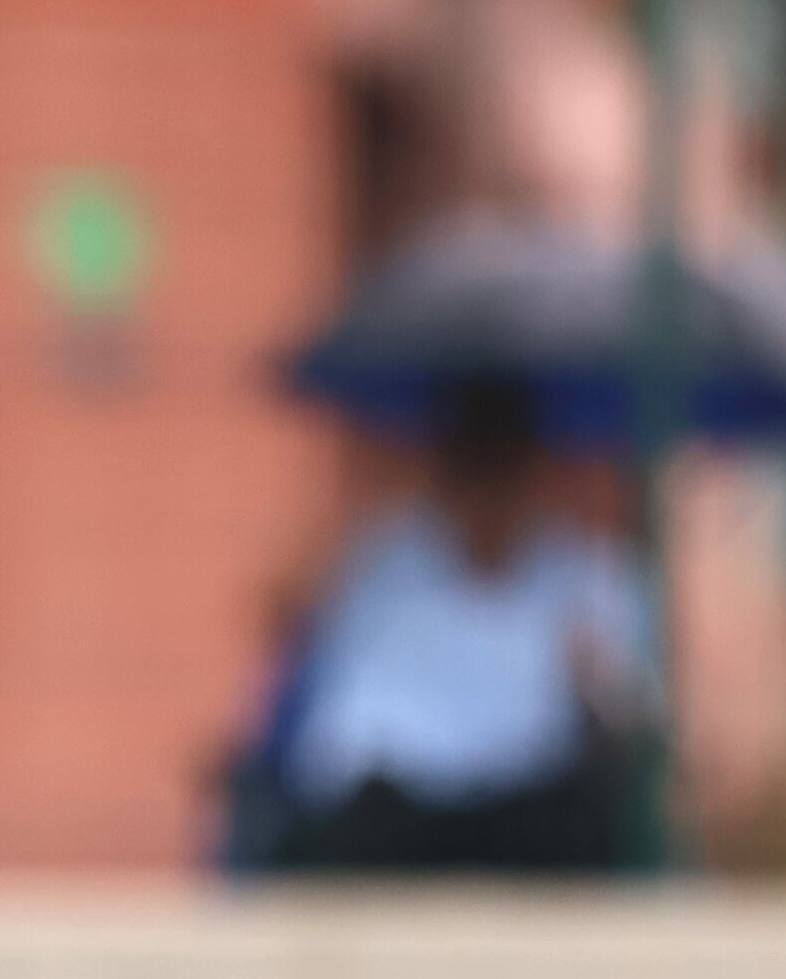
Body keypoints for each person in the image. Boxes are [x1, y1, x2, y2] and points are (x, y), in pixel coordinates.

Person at [249, 373, 658, 871]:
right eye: (468, 468)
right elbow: (282, 619)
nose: (485, 493)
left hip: (527, 813)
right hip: (390, 808)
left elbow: (630, 712)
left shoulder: (584, 576)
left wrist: (591, 678)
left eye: (500, 468)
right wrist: (352, 495)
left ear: (534, 472)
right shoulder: (381, 557)